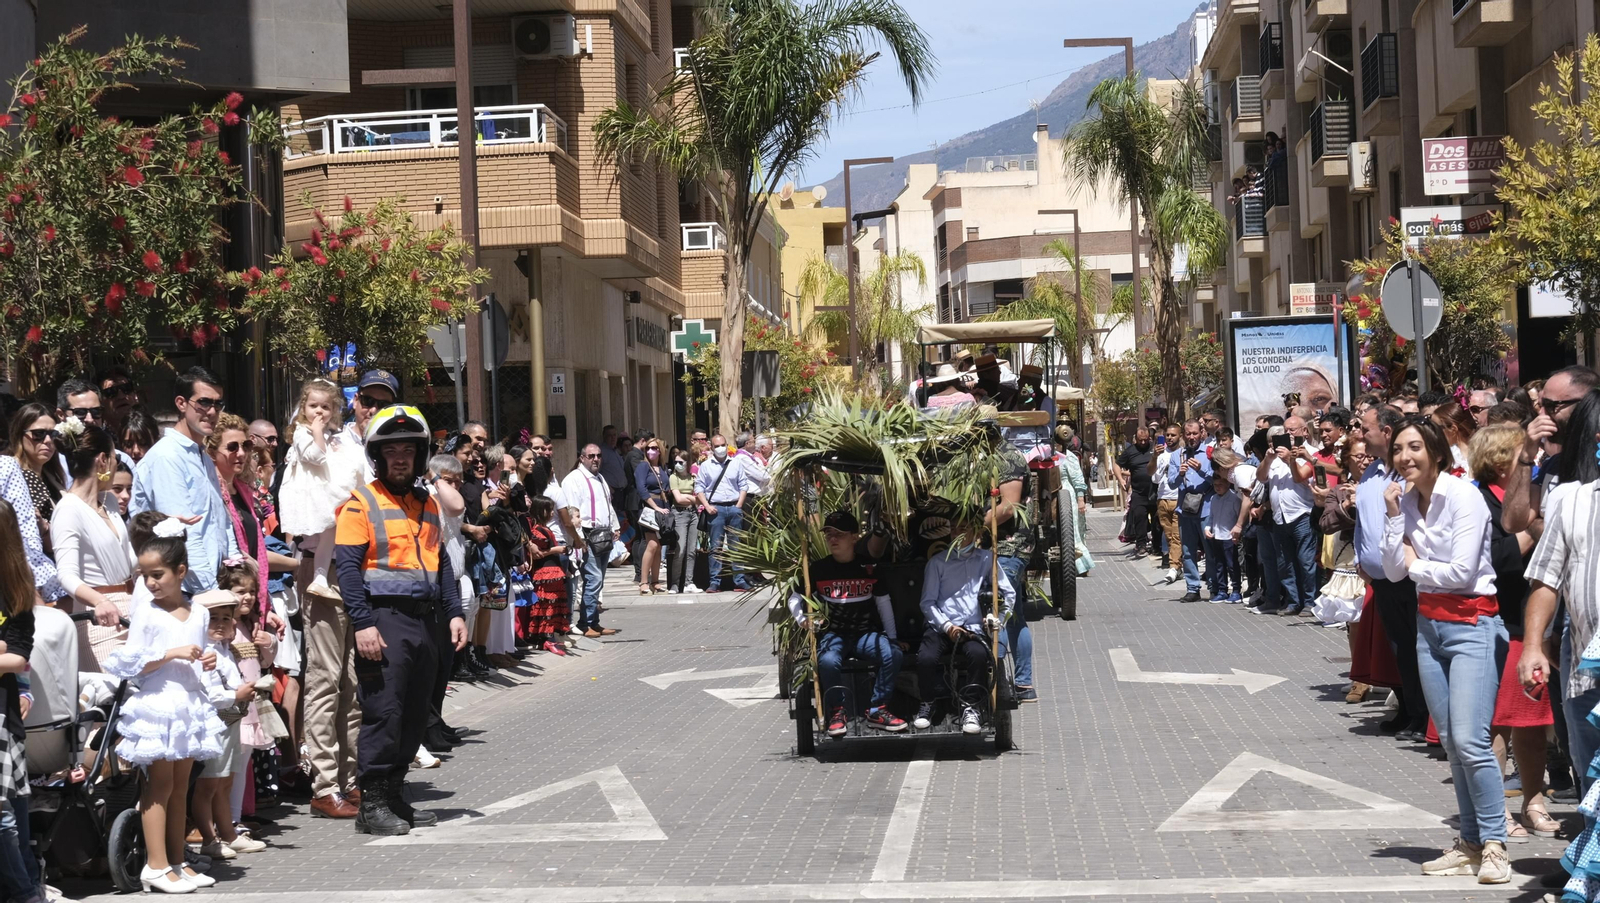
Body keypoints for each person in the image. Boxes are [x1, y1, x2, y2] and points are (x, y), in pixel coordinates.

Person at [1381, 416, 1509, 885]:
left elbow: (1460, 573)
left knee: (1472, 741)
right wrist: (1395, 519)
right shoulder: (1405, 502)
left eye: (1413, 447)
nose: (1404, 457)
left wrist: (1417, 565)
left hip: (1474, 625)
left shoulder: (1464, 496)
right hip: (1429, 628)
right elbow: (1392, 571)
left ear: (1436, 450)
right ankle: (1471, 844)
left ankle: (1496, 846)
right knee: (1453, 744)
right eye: (1397, 449)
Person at [333, 405, 468, 835]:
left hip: (425, 621)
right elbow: (348, 570)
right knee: (383, 712)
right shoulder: (360, 504)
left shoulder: (427, 503)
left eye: (408, 450)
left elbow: (441, 563)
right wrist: (363, 624)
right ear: (378, 456)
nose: (400, 458)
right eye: (391, 450)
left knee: (414, 714)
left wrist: (454, 613)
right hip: (384, 619)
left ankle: (395, 796)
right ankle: (371, 806)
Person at [103, 521, 226, 893]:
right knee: (159, 785)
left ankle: (176, 860)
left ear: (180, 572)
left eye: (157, 575)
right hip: (159, 703)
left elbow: (198, 653)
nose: (151, 582)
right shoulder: (147, 613)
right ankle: (155, 865)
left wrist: (206, 661)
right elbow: (132, 663)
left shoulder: (199, 613)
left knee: (179, 785)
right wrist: (172, 653)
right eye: (145, 576)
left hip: (189, 703)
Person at [1469, 422, 1555, 842]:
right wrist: (1530, 528)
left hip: (1532, 622)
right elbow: (1496, 559)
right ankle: (1495, 809)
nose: (1531, 460)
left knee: (1532, 720)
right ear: (1501, 459)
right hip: (1498, 620)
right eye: (1523, 454)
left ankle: (1534, 800)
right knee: (1496, 723)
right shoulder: (1479, 500)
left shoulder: (1536, 493)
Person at [790, 511, 907, 736]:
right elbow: (795, 597)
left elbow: (884, 603)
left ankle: (877, 709)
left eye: (840, 534)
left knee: (893, 654)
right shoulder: (817, 569)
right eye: (829, 534)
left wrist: (892, 639)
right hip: (833, 636)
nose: (833, 539)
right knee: (827, 660)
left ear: (854, 537)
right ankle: (837, 712)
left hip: (866, 635)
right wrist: (802, 620)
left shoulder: (869, 567)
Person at [130, 367, 240, 594]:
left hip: (212, 587)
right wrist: (210, 593)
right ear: (181, 404)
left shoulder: (202, 456)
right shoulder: (167, 457)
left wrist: (237, 573)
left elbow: (221, 522)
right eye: (204, 403)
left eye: (218, 404)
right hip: (184, 592)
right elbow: (183, 534)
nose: (212, 411)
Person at [1354, 405, 1428, 739]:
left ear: (1385, 431)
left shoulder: (1407, 475)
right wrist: (1360, 558)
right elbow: (1363, 521)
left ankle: (1424, 716)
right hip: (1379, 579)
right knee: (1397, 648)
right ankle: (1407, 709)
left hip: (1406, 578)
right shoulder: (1370, 472)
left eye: (1365, 428)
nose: (1359, 434)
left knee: (1416, 648)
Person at [49, 423, 135, 671]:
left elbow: (129, 561)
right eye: (115, 458)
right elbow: (66, 575)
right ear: (102, 460)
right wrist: (100, 602)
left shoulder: (108, 502)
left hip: (132, 613)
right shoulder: (67, 510)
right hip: (101, 622)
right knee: (113, 701)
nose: (117, 464)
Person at [916, 523, 1015, 735]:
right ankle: (927, 702)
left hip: (972, 627)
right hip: (942, 624)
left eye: (963, 529)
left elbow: (1009, 593)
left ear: (976, 532)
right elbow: (927, 602)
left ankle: (972, 707)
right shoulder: (937, 562)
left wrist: (997, 619)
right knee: (926, 657)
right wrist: (946, 626)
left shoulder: (987, 559)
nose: (956, 534)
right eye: (953, 530)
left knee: (979, 655)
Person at [190, 589, 264, 863]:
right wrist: (237, 694)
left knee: (225, 782)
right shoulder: (204, 653)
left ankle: (228, 833)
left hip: (231, 720)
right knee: (208, 784)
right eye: (213, 618)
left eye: (225, 617)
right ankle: (209, 839)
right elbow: (210, 693)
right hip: (214, 723)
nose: (221, 623)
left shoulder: (223, 649)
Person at [280, 379, 352, 601]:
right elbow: (317, 456)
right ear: (304, 408)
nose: (319, 411)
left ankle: (320, 579)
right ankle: (319, 578)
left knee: (328, 535)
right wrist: (319, 433)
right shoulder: (303, 432)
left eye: (325, 407)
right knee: (329, 529)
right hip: (313, 494)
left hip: (321, 490)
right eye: (314, 406)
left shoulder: (326, 435)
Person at [0, 501, 39, 903]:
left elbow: (17, 656)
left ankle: (26, 890)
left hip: (1, 713)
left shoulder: (14, 592)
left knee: (6, 813)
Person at [1256, 420, 1317, 616]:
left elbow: (1300, 477)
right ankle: (1293, 602)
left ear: (1304, 431)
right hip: (1279, 517)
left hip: (1301, 515)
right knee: (1285, 563)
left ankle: (1310, 602)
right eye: (1285, 430)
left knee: (1305, 562)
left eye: (1292, 429)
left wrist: (1289, 459)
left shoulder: (1308, 453)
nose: (1288, 433)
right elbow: (1260, 477)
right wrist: (1267, 459)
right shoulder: (1275, 455)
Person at [562, 444, 620, 637]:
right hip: (586, 535)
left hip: (603, 534)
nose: (595, 459)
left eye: (598, 455)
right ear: (582, 458)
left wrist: (614, 525)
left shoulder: (600, 478)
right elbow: (572, 511)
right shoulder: (574, 479)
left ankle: (594, 622)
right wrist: (577, 539)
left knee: (599, 580)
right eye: (591, 456)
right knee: (592, 579)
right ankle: (585, 623)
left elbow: (607, 504)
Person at [695, 435, 753, 593]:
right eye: (717, 445)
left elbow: (743, 484)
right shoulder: (706, 466)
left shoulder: (736, 463)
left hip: (734, 508)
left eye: (723, 444)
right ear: (712, 448)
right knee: (716, 548)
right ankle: (715, 582)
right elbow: (699, 487)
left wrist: (739, 505)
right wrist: (706, 506)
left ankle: (739, 581)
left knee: (737, 547)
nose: (720, 448)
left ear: (727, 445)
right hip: (716, 510)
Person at [1167, 421, 1214, 603]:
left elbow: (1217, 479)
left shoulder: (1209, 453)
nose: (1192, 437)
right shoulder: (1177, 456)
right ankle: (1192, 588)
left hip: (1206, 507)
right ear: (1184, 435)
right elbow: (1171, 483)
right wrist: (1180, 473)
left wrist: (1201, 470)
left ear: (1201, 433)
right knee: (1188, 551)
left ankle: (1214, 585)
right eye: (1188, 434)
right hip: (1186, 508)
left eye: (1195, 433)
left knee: (1210, 550)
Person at [520, 496, 571, 656]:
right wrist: (555, 550)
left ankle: (548, 637)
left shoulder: (543, 528)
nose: (551, 514)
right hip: (545, 572)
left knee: (552, 605)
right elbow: (536, 555)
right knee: (546, 606)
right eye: (549, 510)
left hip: (553, 571)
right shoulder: (536, 531)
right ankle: (546, 638)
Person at [9, 403, 61, 546]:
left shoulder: (53, 478)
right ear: (20, 434)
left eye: (54, 434)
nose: (48, 441)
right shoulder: (13, 476)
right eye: (39, 434)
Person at [634, 437, 670, 595]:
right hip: (649, 509)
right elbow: (641, 489)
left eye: (654, 448)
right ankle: (643, 581)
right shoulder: (643, 466)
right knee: (652, 544)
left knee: (659, 546)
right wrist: (655, 507)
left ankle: (655, 581)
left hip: (663, 508)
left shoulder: (662, 468)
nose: (651, 451)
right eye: (648, 448)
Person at [1115, 429, 1157, 560]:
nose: (1143, 442)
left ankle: (1157, 546)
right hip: (1139, 492)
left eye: (1145, 439)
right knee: (1139, 518)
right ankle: (1141, 545)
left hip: (1154, 491)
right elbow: (1116, 465)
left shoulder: (1155, 448)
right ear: (1136, 439)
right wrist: (1120, 479)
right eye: (1140, 440)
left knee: (1157, 521)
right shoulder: (1130, 451)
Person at [665, 449, 701, 595]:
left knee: (692, 550)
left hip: (693, 514)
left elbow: (700, 498)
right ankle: (674, 583)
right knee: (680, 549)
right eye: (676, 462)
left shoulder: (693, 478)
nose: (678, 465)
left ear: (687, 463)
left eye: (681, 462)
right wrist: (692, 498)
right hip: (679, 513)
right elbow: (678, 499)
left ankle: (689, 582)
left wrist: (692, 498)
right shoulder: (673, 478)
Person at [1205, 470, 1242, 603]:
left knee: (1232, 564)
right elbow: (1212, 517)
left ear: (1227, 484)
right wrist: (1208, 528)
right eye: (1215, 485)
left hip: (1229, 537)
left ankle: (1236, 590)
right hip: (1217, 536)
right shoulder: (1213, 499)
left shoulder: (1234, 498)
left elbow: (1239, 517)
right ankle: (1222, 590)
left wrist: (1237, 532)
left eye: (1221, 484)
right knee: (1219, 564)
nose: (1218, 487)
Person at [1151, 425, 1183, 581]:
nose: (1170, 438)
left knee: (1177, 536)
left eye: (1173, 435)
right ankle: (1178, 565)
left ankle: (1173, 567)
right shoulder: (1160, 455)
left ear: (1180, 436)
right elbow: (1154, 477)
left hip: (1178, 498)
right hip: (1162, 497)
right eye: (1167, 435)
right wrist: (1155, 458)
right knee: (1169, 536)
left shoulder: (1183, 453)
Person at [1432, 403, 1476, 475]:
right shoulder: (1440, 458)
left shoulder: (1483, 454)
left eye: (1435, 428)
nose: (1432, 432)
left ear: (1453, 429)